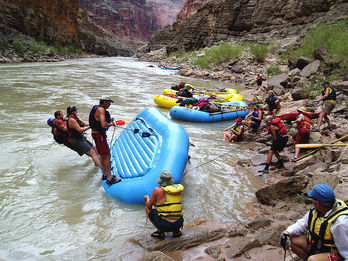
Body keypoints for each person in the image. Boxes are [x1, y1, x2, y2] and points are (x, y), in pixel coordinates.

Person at [282, 184, 348, 261]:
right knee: (289, 239)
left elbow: (346, 251)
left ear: (317, 202)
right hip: (318, 247)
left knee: (312, 259)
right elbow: (301, 224)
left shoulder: (340, 223)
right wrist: (286, 232)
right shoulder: (317, 211)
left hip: (336, 254)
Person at [89, 95, 121, 185]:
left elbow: (98, 121)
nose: (109, 104)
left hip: (95, 134)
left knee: (102, 155)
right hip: (100, 135)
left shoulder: (96, 109)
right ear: (104, 102)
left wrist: (109, 120)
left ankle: (105, 174)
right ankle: (109, 178)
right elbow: (103, 125)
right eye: (108, 102)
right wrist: (112, 123)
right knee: (107, 155)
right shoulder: (101, 110)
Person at [144, 170, 184, 240]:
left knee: (147, 209)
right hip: (179, 223)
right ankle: (176, 231)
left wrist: (147, 198)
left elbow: (148, 206)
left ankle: (160, 232)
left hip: (165, 225)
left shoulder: (157, 190)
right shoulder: (178, 189)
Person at [65, 106, 102, 170]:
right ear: (72, 112)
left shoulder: (76, 117)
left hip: (81, 138)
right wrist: (90, 127)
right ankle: (102, 168)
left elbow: (85, 123)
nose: (77, 112)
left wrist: (95, 124)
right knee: (93, 154)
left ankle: (101, 164)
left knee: (95, 149)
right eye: (75, 111)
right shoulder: (71, 120)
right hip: (76, 140)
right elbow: (80, 130)